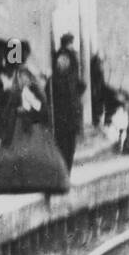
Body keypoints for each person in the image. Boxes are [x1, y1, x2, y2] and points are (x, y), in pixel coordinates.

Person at [50, 34, 85, 170]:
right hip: (66, 114)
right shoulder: (67, 57)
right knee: (66, 147)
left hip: (67, 114)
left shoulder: (66, 60)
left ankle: (64, 173)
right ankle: (63, 174)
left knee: (66, 146)